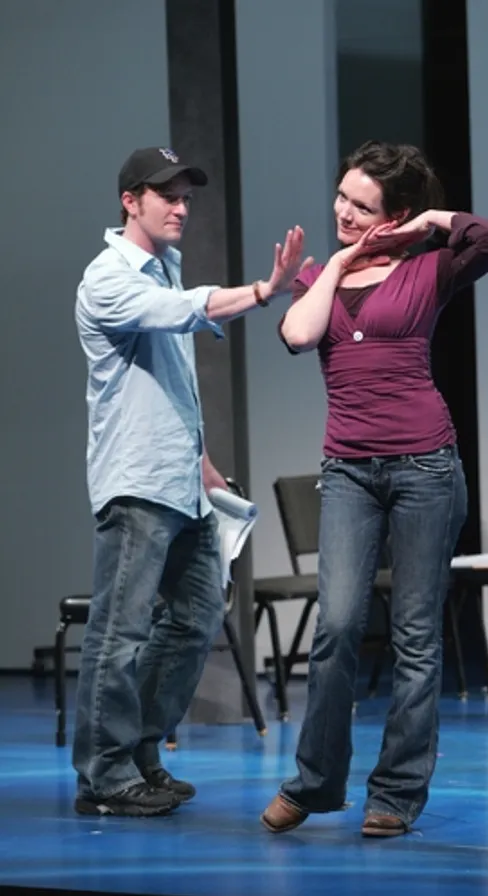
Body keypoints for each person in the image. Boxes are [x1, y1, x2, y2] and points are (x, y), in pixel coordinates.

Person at [261, 140, 488, 838]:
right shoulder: (322, 273)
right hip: (348, 470)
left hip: (425, 466)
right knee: (337, 626)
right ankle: (315, 782)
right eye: (342, 196)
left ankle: (396, 794)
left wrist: (428, 219)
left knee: (414, 638)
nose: (343, 210)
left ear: (392, 214)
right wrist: (339, 261)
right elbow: (294, 333)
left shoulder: (430, 266)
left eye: (361, 205)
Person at [73, 146, 310, 817]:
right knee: (119, 634)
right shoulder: (109, 277)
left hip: (182, 483)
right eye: (166, 196)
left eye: (185, 197)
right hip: (137, 485)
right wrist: (265, 291)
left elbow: (170, 382)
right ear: (130, 200)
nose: (181, 207)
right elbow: (183, 312)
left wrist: (203, 462)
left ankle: (141, 750)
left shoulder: (163, 266)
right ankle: (104, 773)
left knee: (196, 616)